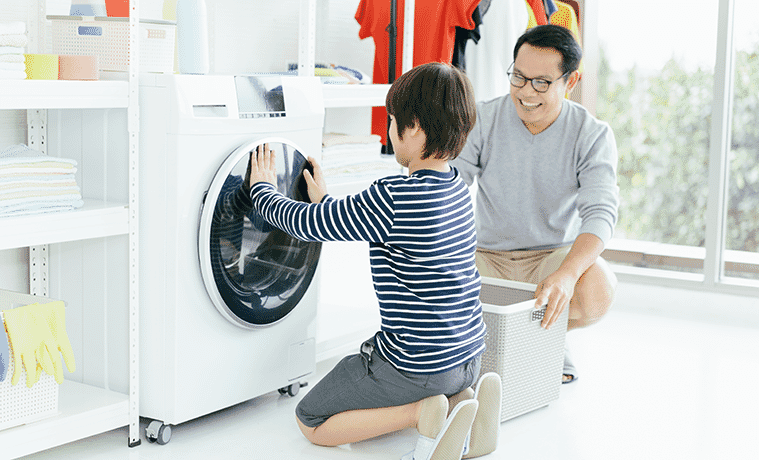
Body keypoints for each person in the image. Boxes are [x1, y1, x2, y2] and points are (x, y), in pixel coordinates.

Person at [247, 62, 502, 460]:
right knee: (430, 374)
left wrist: (262, 192)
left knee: (310, 420)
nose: (389, 131)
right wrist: (326, 203)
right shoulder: (457, 191)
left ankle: (422, 411)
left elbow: (307, 225)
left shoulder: (392, 195)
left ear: (413, 128)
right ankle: (463, 401)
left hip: (416, 367)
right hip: (466, 354)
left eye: (392, 121)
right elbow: (358, 223)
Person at [451, 24, 620, 383]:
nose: (526, 92)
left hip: (550, 260)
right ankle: (530, 350)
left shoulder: (592, 134)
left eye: (541, 83)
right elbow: (451, 184)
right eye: (518, 77)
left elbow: (600, 215)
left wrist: (567, 274)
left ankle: (534, 346)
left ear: (570, 82)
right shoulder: (483, 117)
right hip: (487, 257)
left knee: (597, 288)